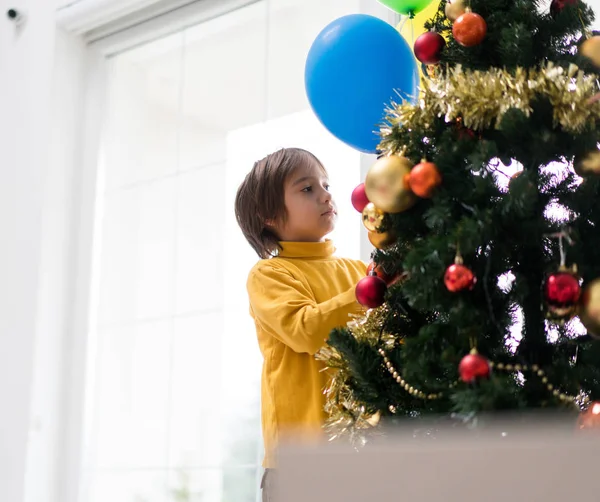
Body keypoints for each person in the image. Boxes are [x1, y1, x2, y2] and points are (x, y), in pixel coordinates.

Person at [234, 147, 366, 501]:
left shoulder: (358, 272)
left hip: (362, 452)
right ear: (269, 217)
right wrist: (369, 292)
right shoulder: (269, 274)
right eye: (307, 189)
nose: (325, 194)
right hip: (299, 459)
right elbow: (307, 330)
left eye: (325, 184)